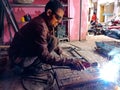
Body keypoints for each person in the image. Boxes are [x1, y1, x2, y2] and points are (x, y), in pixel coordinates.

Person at [8, 0, 90, 73]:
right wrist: (70, 61)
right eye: (58, 18)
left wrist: (61, 53)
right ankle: (31, 68)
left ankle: (32, 65)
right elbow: (45, 56)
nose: (59, 21)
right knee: (47, 50)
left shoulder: (43, 21)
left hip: (22, 52)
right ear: (49, 13)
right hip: (18, 59)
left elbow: (51, 40)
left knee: (53, 40)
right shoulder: (40, 26)